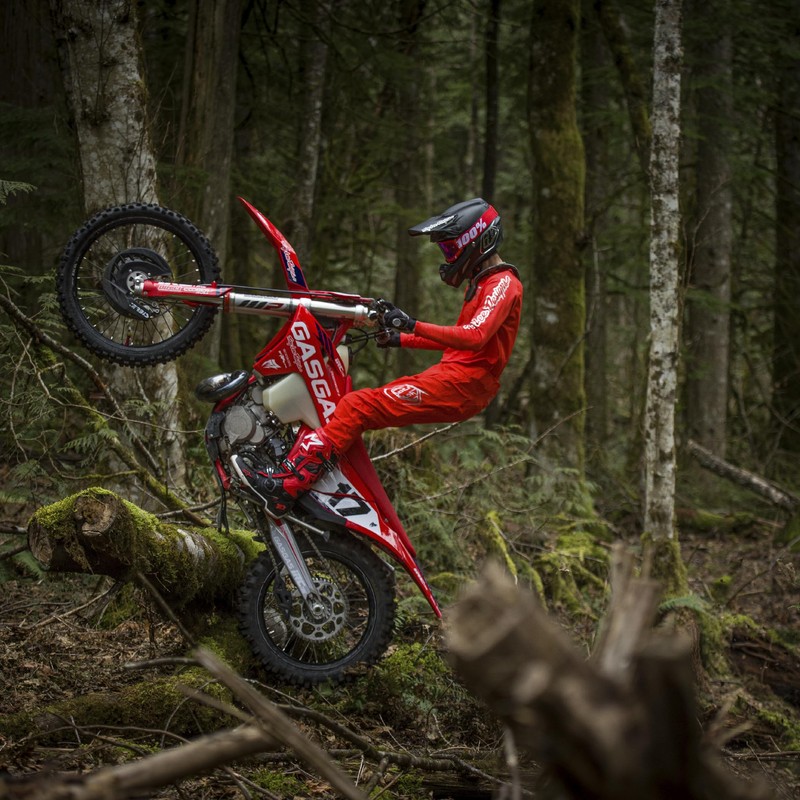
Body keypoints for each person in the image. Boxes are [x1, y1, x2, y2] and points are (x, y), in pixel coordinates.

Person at [233, 197, 523, 517]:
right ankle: (306, 481)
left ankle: (287, 487)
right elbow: (458, 340)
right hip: (454, 380)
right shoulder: (484, 283)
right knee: (350, 406)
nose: (448, 257)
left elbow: (474, 336)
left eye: (452, 249)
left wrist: (410, 324)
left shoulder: (503, 283)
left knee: (358, 407)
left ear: (477, 241)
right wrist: (400, 338)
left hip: (462, 386)